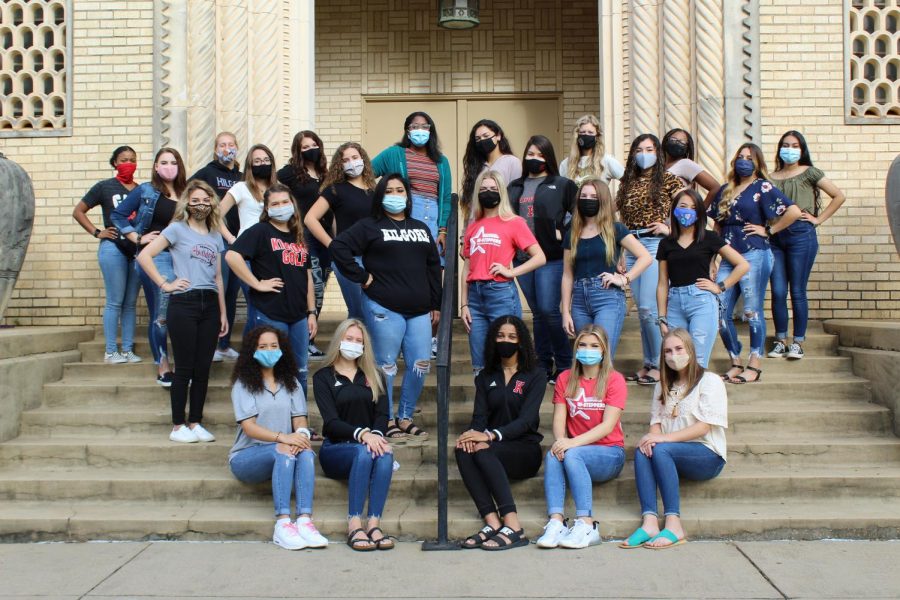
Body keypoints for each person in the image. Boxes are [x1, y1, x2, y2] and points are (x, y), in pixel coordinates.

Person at [331, 174, 441, 440]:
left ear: (407, 195)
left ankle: (405, 417)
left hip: (418, 310)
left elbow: (433, 267)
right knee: (386, 365)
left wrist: (435, 303)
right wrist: (362, 277)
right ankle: (386, 418)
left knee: (420, 364)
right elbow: (339, 247)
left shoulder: (421, 228)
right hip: (383, 307)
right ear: (380, 196)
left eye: (400, 190)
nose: (395, 194)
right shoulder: (369, 226)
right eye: (389, 190)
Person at [136, 180, 227, 443]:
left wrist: (222, 313)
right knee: (184, 368)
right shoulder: (176, 229)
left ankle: (196, 422)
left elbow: (219, 276)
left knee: (203, 368)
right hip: (184, 303)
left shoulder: (215, 235)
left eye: (205, 199)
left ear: (212, 203)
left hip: (209, 304)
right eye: (195, 200)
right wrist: (166, 284)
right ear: (187, 203)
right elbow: (144, 256)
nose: (201, 204)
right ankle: (178, 426)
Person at [620, 328, 728, 549]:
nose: (673, 355)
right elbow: (656, 422)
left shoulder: (710, 380)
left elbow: (704, 427)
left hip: (706, 454)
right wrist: (654, 438)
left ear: (690, 349)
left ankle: (674, 524)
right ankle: (650, 521)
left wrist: (664, 440)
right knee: (644, 447)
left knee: (659, 447)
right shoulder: (663, 384)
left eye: (679, 349)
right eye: (668, 351)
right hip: (671, 454)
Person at [228, 326, 328, 550]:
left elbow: (300, 420)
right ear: (252, 351)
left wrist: (300, 437)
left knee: (305, 452)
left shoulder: (290, 382)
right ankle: (283, 524)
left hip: (283, 450)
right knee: (284, 450)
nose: (269, 351)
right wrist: (283, 438)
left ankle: (304, 520)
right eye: (263, 347)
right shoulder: (243, 384)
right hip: (246, 457)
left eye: (274, 346)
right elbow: (249, 428)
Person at [708, 144, 801, 383]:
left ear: (757, 162)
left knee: (751, 310)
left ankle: (754, 363)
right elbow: (716, 226)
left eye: (749, 158)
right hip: (728, 256)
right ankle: (735, 361)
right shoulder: (725, 189)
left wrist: (769, 229)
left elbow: (793, 211)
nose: (744, 161)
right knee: (718, 310)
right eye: (740, 157)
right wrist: (712, 259)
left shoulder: (763, 186)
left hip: (754, 253)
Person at [455, 316, 544, 551]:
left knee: (484, 451)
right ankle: (492, 522)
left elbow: (526, 421)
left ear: (521, 341)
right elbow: (479, 418)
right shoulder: (486, 376)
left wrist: (490, 436)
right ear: (493, 340)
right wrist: (469, 435)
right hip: (494, 447)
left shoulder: (535, 375)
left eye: (512, 337)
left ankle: (513, 525)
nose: (506, 341)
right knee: (463, 451)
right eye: (501, 336)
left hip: (525, 450)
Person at [536, 325, 626, 550]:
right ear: (576, 349)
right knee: (553, 455)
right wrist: (560, 442)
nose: (588, 350)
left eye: (595, 346)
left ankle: (587, 524)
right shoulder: (566, 378)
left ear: (604, 350)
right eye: (583, 345)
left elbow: (607, 426)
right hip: (575, 454)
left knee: (570, 453)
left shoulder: (615, 380)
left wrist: (571, 444)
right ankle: (556, 522)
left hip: (609, 454)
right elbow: (559, 418)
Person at [226, 183, 316, 393]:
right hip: (270, 313)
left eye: (285, 202)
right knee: (271, 370)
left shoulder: (298, 235)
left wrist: (311, 312)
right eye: (275, 203)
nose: (281, 206)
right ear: (266, 208)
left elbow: (308, 277)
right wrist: (256, 283)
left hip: (299, 316)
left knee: (300, 370)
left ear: (292, 204)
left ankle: (299, 420)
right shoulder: (260, 231)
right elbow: (232, 255)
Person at [314, 319, 395, 551]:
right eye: (349, 339)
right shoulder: (323, 377)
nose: (353, 344)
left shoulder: (374, 375)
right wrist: (363, 435)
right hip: (336, 449)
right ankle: (354, 523)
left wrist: (377, 435)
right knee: (364, 452)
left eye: (359, 341)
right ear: (339, 340)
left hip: (369, 445)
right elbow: (330, 422)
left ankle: (374, 524)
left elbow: (382, 415)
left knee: (385, 455)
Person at [111, 147, 188, 387]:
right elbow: (118, 215)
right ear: (155, 166)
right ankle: (163, 366)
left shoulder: (187, 193)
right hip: (156, 257)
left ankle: (182, 363)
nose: (168, 166)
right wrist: (136, 237)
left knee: (180, 311)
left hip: (182, 258)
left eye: (173, 162)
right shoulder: (146, 190)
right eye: (163, 162)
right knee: (161, 313)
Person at [768, 130, 846, 360]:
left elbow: (838, 196)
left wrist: (817, 220)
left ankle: (798, 342)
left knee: (798, 291)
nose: (789, 149)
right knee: (778, 291)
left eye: (794, 145)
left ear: (801, 149)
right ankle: (780, 339)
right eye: (785, 144)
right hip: (774, 237)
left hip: (801, 235)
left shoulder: (809, 173)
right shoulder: (770, 177)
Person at [508, 134, 578, 384]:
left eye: (540, 154)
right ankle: (542, 362)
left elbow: (579, 215)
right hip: (522, 259)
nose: (534, 159)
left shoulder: (562, 184)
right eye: (530, 154)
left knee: (549, 311)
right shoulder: (514, 186)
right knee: (538, 312)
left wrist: (563, 232)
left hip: (551, 258)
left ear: (548, 157)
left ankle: (564, 363)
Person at [461, 170, 545, 374]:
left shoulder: (514, 222)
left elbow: (540, 257)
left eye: (493, 189)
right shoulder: (473, 226)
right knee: (480, 363)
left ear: (501, 192)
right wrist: (463, 304)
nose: (488, 192)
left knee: (508, 358)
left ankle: (509, 403)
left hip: (500, 293)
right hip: (474, 297)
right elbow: (467, 267)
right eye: (483, 189)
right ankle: (484, 405)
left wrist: (512, 272)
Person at [615, 134, 683, 386]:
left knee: (647, 307)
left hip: (654, 244)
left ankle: (658, 364)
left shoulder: (668, 178)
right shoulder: (627, 181)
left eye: (650, 149)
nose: (644, 153)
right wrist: (621, 251)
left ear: (658, 152)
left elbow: (690, 206)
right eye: (639, 149)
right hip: (631, 245)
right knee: (643, 313)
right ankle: (649, 362)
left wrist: (671, 230)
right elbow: (621, 218)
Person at [656, 189, 749, 367]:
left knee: (697, 360)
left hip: (701, 301)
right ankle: (677, 395)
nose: (687, 211)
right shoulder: (666, 243)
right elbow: (662, 283)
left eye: (693, 208)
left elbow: (743, 265)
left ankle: (697, 394)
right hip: (675, 303)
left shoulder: (709, 238)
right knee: (676, 361)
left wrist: (720, 286)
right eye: (683, 206)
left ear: (699, 214)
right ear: (674, 210)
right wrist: (661, 318)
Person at [561, 176, 652, 358]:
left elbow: (645, 257)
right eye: (584, 195)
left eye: (593, 196)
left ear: (602, 200)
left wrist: (624, 278)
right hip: (579, 300)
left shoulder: (615, 229)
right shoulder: (572, 232)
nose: (587, 200)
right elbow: (567, 275)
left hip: (607, 297)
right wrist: (565, 311)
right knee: (585, 357)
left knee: (602, 356)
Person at [73, 146, 141, 364]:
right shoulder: (105, 187)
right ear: (114, 163)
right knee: (115, 301)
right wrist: (96, 232)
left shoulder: (142, 190)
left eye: (132, 159)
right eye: (123, 160)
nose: (128, 163)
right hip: (113, 248)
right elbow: (78, 211)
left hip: (136, 250)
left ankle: (128, 349)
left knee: (130, 303)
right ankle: (111, 351)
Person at [304, 142, 377, 320]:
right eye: (345, 160)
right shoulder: (335, 190)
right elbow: (310, 219)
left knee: (376, 312)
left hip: (375, 259)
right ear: (340, 165)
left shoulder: (376, 191)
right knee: (359, 313)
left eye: (355, 157)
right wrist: (333, 245)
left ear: (363, 160)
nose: (351, 163)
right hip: (349, 259)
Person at [189, 132, 244, 362]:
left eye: (231, 144)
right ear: (215, 149)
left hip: (240, 242)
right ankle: (211, 343)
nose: (227, 148)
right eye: (222, 145)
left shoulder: (242, 177)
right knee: (218, 291)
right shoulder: (206, 173)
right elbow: (189, 197)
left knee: (231, 294)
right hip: (217, 239)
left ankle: (224, 343)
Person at [277, 130, 330, 360]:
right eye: (305, 147)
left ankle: (309, 338)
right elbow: (269, 187)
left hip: (327, 237)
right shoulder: (290, 173)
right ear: (297, 151)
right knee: (313, 287)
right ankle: (305, 340)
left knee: (321, 289)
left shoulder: (326, 173)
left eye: (314, 145)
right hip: (305, 236)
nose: (310, 149)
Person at [218, 144, 279, 336]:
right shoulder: (241, 187)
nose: (262, 164)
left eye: (266, 160)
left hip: (273, 253)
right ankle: (249, 355)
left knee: (268, 304)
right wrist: (231, 238)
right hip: (247, 255)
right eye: (258, 161)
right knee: (255, 304)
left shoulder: (279, 190)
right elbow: (215, 215)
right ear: (250, 166)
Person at [372, 111, 452, 257]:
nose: (420, 130)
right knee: (405, 262)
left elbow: (446, 198)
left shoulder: (442, 161)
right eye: (414, 126)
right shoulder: (394, 153)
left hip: (433, 219)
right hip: (406, 215)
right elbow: (366, 174)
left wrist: (442, 230)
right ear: (407, 131)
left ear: (430, 131)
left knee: (432, 267)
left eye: (424, 126)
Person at [460, 119, 522, 222]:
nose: (482, 140)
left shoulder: (512, 162)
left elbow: (515, 199)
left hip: (503, 224)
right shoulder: (476, 167)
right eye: (478, 139)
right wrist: (465, 233)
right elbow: (471, 205)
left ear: (498, 136)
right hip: (477, 226)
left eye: (486, 136)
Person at [559, 114, 625, 185]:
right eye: (582, 132)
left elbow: (629, 181)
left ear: (597, 136)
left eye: (590, 132)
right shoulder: (565, 164)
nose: (586, 135)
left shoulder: (607, 161)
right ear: (577, 136)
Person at [661, 128, 719, 206]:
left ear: (687, 148)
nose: (676, 143)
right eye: (673, 139)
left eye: (682, 142)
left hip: (678, 216)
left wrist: (700, 212)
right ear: (666, 141)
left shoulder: (686, 164)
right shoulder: (659, 166)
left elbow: (715, 187)